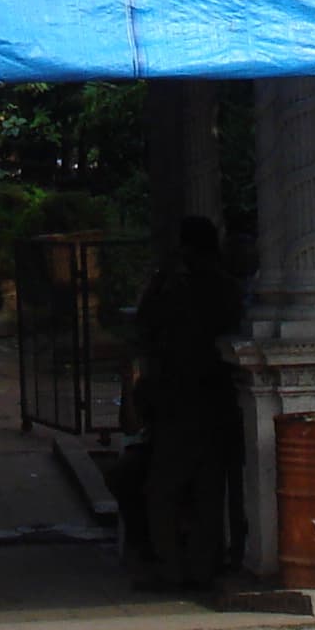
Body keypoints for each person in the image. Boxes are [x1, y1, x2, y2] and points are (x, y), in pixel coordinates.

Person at [129, 213, 242, 590]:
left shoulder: (177, 291)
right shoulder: (227, 289)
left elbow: (146, 326)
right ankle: (201, 565)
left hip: (181, 398)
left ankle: (172, 567)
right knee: (209, 488)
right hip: (216, 397)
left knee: (164, 489)